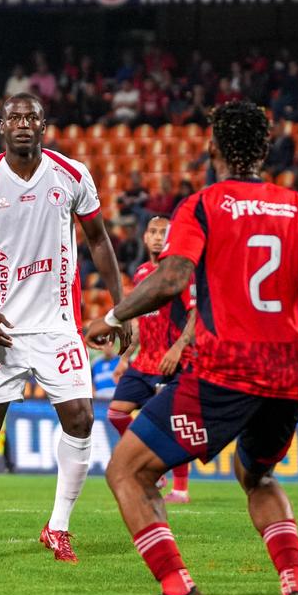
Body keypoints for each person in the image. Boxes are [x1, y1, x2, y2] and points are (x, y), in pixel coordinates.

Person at [86, 100, 298, 595]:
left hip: (225, 371)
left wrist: (113, 316)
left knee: (126, 471)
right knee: (256, 475)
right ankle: (296, 587)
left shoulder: (203, 205)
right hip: (286, 376)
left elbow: (172, 277)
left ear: (213, 147)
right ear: (265, 149)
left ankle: (178, 588)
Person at [0, 92, 129, 565]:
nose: (23, 123)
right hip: (2, 326)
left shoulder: (72, 174)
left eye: (32, 117)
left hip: (58, 325)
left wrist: (121, 305)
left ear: (44, 126)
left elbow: (98, 239)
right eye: (15, 117)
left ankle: (58, 527)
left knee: (81, 419)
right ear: (1, 126)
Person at [107, 216, 194, 504]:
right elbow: (140, 320)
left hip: (172, 360)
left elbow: (196, 313)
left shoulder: (181, 271)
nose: (157, 237)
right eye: (153, 232)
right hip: (144, 361)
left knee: (174, 421)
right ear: (145, 238)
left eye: (163, 233)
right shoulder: (142, 272)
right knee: (116, 413)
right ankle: (156, 474)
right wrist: (125, 358)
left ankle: (180, 489)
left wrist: (179, 347)